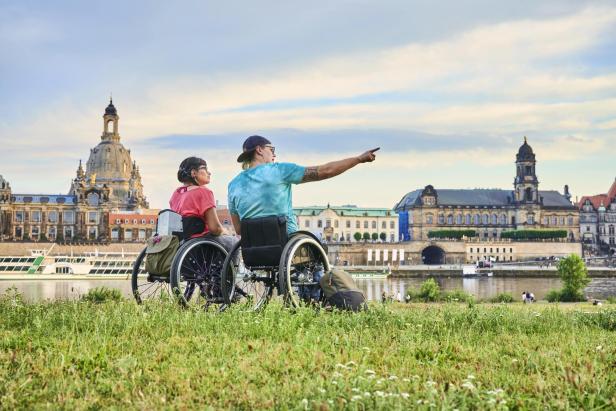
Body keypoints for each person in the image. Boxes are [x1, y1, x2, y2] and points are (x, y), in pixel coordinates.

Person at [227, 135, 378, 234]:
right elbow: (326, 171)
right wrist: (359, 159)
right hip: (287, 240)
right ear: (259, 150)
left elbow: (239, 230)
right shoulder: (280, 170)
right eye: (272, 149)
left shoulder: (233, 185)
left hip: (253, 250)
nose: (274, 154)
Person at [170, 157, 236, 251]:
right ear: (194, 173)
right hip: (199, 240)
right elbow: (215, 228)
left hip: (181, 241)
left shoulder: (176, 193)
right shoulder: (203, 192)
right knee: (233, 242)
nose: (209, 173)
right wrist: (224, 231)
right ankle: (233, 266)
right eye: (205, 169)